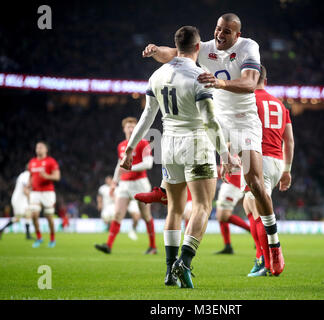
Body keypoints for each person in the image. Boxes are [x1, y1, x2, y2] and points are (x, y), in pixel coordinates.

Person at [140, 13, 285, 275]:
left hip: (243, 121)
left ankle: (274, 244)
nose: (220, 34)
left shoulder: (248, 47)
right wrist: (154, 50)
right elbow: (173, 53)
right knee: (183, 145)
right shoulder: (204, 48)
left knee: (254, 181)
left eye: (227, 31)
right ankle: (165, 189)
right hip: (217, 119)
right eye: (218, 29)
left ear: (237, 35)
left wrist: (220, 82)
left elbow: (251, 82)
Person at [120, 26, 239, 288]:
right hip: (196, 144)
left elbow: (147, 116)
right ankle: (183, 262)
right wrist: (225, 153)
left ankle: (167, 270)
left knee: (173, 208)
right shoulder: (200, 77)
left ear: (176, 45)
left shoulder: (157, 74)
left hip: (168, 145)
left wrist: (130, 148)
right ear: (198, 48)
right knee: (202, 207)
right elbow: (209, 121)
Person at [245, 65, 294, 276]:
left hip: (258, 160)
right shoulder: (280, 105)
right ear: (266, 80)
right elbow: (289, 140)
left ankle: (268, 261)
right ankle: (261, 258)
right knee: (249, 204)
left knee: (259, 211)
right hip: (276, 162)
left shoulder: (249, 100)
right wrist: (287, 170)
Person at [94, 117, 156, 254]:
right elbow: (119, 165)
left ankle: (153, 246)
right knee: (117, 214)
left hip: (140, 184)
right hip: (124, 184)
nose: (131, 128)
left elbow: (148, 163)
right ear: (124, 129)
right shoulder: (121, 145)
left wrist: (130, 168)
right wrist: (114, 182)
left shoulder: (144, 143)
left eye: (133, 126)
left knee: (146, 216)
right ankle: (108, 245)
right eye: (128, 126)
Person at [28, 142, 61, 248]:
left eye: (41, 147)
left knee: (49, 217)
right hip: (35, 192)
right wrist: (28, 186)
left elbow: (57, 177)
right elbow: (31, 176)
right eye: (37, 147)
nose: (38, 149)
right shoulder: (32, 162)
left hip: (48, 192)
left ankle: (52, 239)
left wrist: (46, 176)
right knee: (34, 215)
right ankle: (39, 238)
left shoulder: (51, 161)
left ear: (46, 149)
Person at [215, 165, 250, 254]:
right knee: (220, 216)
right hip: (229, 183)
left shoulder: (236, 152)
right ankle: (227, 246)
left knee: (223, 216)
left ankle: (252, 230)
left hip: (233, 185)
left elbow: (235, 167)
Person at [0, 167, 32, 240]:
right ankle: (28, 235)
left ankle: (28, 235)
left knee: (24, 215)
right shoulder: (26, 175)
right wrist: (31, 200)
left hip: (21, 200)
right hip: (19, 200)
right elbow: (25, 190)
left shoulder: (24, 175)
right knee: (22, 216)